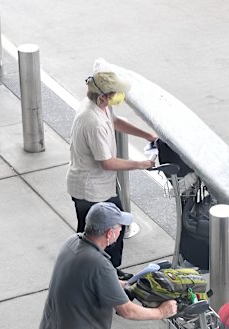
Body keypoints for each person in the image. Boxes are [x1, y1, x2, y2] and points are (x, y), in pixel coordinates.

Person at [66, 70, 157, 279]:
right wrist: (140, 164)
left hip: (97, 186)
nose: (119, 97)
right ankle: (102, 278)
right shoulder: (93, 122)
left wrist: (148, 135)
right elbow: (107, 162)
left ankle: (106, 274)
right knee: (106, 236)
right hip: (91, 191)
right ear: (102, 97)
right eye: (115, 94)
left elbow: (116, 121)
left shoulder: (98, 107)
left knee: (98, 235)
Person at [39, 202, 177, 329]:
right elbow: (127, 311)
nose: (121, 230)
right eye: (120, 227)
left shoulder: (72, 242)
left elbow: (89, 280)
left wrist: (127, 284)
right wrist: (161, 312)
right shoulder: (99, 265)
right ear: (110, 233)